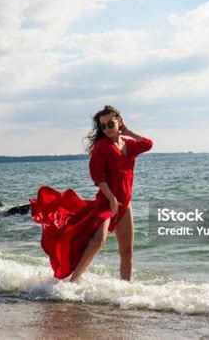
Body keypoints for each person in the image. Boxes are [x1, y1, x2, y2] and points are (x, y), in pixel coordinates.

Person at [29, 105, 153, 282]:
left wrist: (129, 132)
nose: (107, 129)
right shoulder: (101, 147)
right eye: (103, 126)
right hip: (106, 202)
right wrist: (111, 199)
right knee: (98, 241)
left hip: (126, 204)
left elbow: (148, 144)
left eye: (110, 124)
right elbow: (97, 176)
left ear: (119, 122)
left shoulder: (130, 145)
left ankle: (125, 289)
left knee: (127, 251)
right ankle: (74, 280)